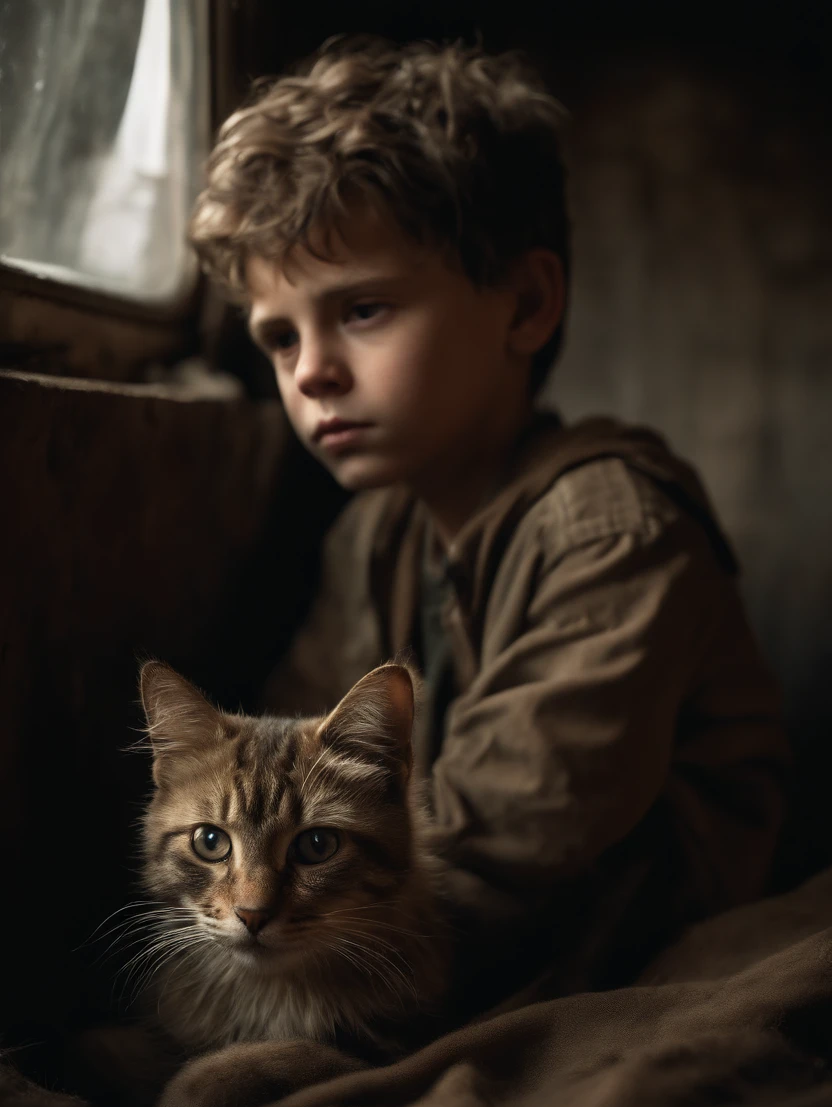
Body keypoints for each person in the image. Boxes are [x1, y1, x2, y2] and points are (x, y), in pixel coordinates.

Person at [188, 35, 789, 1007]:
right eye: (279, 336)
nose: (310, 372)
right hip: (418, 916)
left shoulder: (611, 530)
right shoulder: (373, 531)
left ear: (526, 303)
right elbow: (288, 766)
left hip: (610, 939)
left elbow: (511, 845)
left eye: (365, 309)